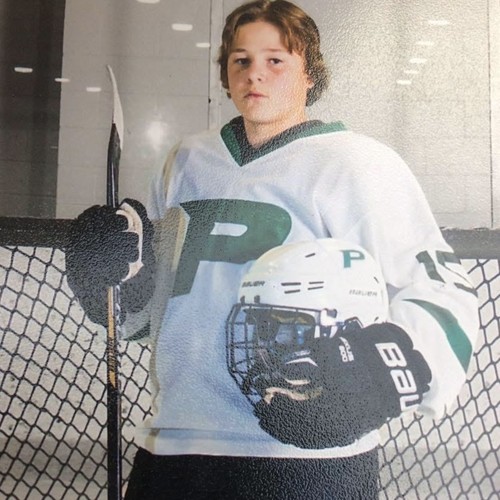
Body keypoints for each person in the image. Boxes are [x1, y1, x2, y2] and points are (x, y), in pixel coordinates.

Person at [66, 1, 479, 498]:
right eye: (240, 60)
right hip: (174, 445)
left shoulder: (358, 164)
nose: (254, 74)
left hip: (304, 459)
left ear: (310, 73)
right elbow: (152, 317)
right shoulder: (185, 161)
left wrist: (381, 377)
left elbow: (442, 291)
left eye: (275, 60)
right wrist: (116, 281)